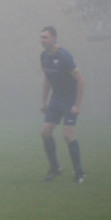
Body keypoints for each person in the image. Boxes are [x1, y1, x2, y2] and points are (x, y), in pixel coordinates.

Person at [38, 26, 86, 183]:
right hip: (56, 98)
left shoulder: (64, 56)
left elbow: (81, 80)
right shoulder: (44, 56)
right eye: (41, 37)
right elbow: (47, 79)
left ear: (54, 38)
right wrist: (44, 101)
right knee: (45, 132)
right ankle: (55, 168)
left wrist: (77, 105)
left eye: (46, 37)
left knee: (68, 134)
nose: (43, 40)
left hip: (69, 98)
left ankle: (79, 174)